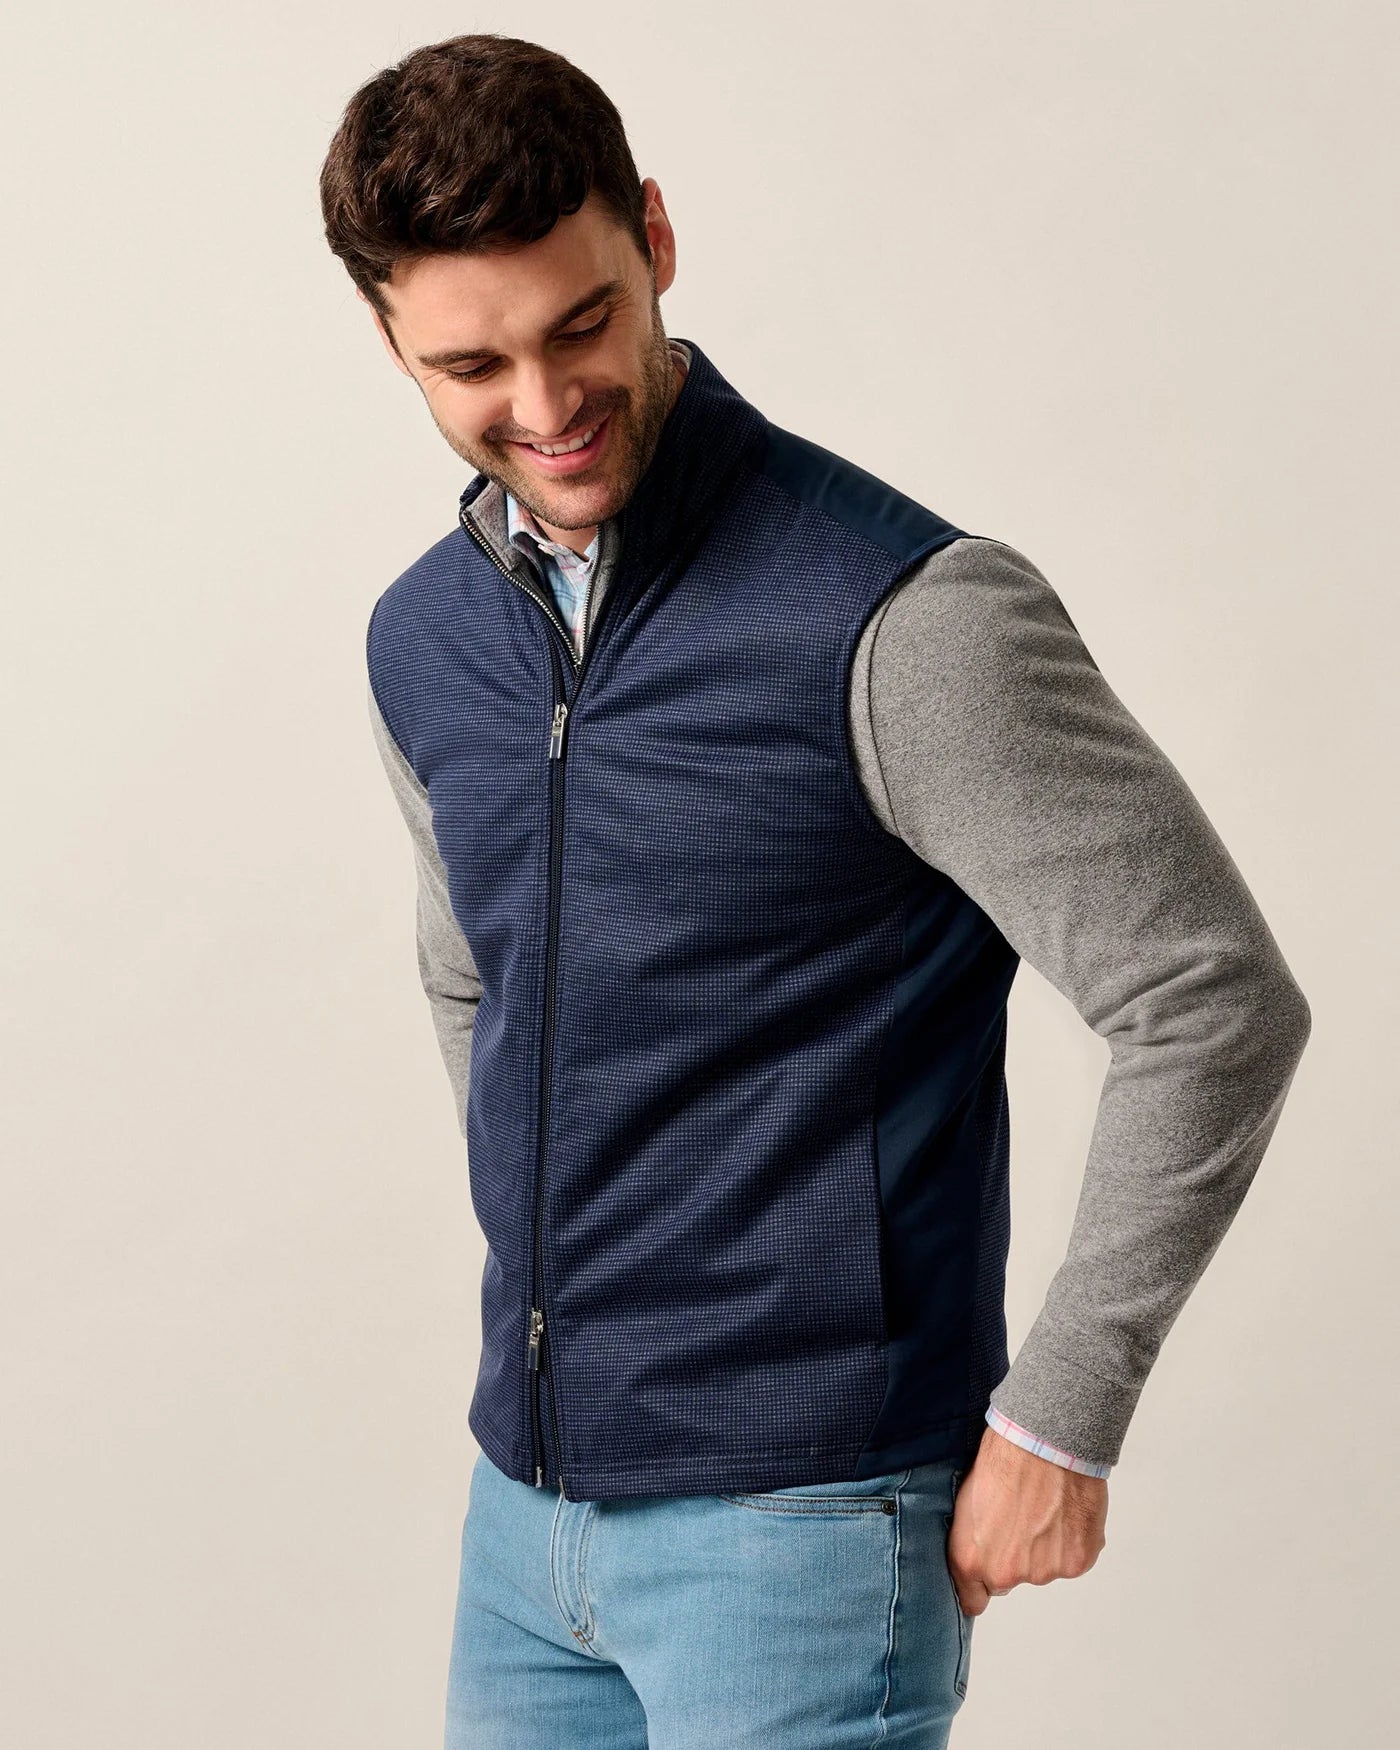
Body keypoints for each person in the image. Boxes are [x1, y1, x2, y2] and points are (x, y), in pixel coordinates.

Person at [319, 33, 1311, 1750]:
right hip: (525, 1520)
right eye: (471, 363)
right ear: (388, 337)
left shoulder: (901, 619)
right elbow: (474, 974)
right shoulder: (425, 639)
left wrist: (1063, 1416)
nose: (544, 407)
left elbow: (1210, 998)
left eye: (581, 324)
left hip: (804, 1529)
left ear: (655, 237)